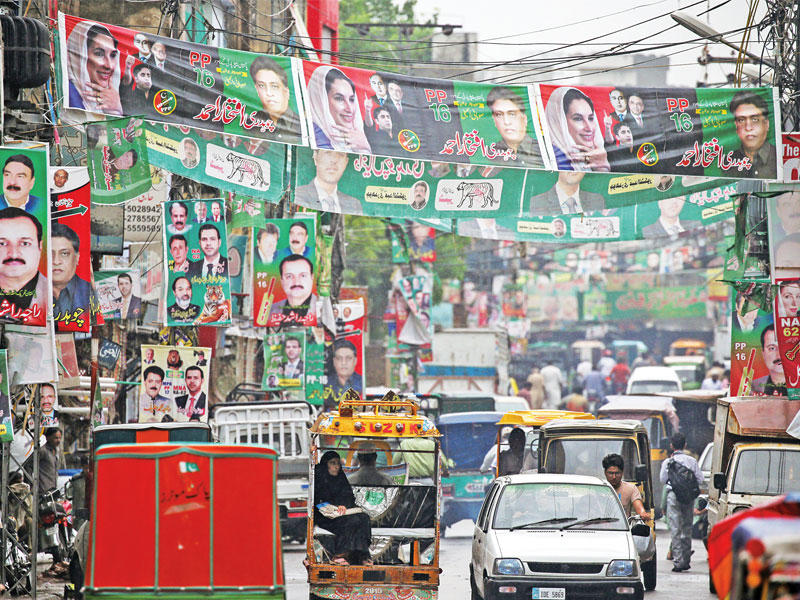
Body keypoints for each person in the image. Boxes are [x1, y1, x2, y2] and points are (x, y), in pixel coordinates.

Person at [313, 451, 372, 565]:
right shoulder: (320, 478)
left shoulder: (341, 478)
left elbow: (348, 496)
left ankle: (362, 554)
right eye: (332, 463)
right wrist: (335, 506)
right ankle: (339, 554)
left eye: (338, 463)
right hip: (325, 515)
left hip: (341, 513)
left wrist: (344, 505)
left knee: (363, 518)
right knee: (351, 521)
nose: (336, 466)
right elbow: (319, 499)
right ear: (326, 464)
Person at [660, 432, 703, 572]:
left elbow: (663, 479)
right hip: (689, 497)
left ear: (671, 445)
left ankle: (678, 562)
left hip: (673, 496)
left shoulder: (668, 462)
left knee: (675, 528)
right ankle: (686, 560)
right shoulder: (692, 461)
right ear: (685, 445)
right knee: (687, 527)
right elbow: (700, 480)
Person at [307, 65, 371, 153]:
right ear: (321, 100)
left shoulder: (359, 139)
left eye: (352, 100)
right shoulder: (308, 136)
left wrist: (366, 147)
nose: (349, 109)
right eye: (339, 99)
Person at [544, 87, 610, 172]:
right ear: (559, 121)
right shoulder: (551, 158)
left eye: (590, 118)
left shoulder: (598, 155)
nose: (589, 128)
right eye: (578, 119)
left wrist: (602, 167)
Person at [0, 207, 48, 320]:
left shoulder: (59, 294)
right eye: (2, 243)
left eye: (25, 243)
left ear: (40, 247)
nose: (13, 253)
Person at [66, 21, 123, 114]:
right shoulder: (68, 93)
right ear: (79, 55)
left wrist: (116, 109)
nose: (109, 66)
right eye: (99, 54)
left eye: (113, 55)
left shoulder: (114, 99)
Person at [486, 86, 543, 168]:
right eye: (499, 115)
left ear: (524, 118)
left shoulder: (542, 151)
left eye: (512, 114)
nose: (506, 122)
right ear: (494, 120)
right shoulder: (490, 155)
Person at [294, 149, 363, 215]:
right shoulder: (298, 195)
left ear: (346, 162)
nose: (334, 160)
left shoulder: (354, 205)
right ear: (315, 157)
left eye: (340, 154)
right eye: (328, 152)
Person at [51, 222, 94, 321]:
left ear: (77, 258)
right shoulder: (33, 291)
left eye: (64, 253)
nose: (56, 261)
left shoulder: (88, 291)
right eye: (50, 254)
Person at [249, 55, 299, 139]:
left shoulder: (302, 126)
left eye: (274, 86)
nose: (268, 93)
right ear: (257, 90)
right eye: (261, 86)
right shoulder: (251, 123)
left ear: (286, 92)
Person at [730, 91, 776, 179]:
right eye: (741, 120)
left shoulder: (779, 158)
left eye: (755, 119)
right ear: (736, 126)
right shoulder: (727, 161)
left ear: (766, 124)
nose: (748, 127)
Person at [529, 171, 605, 216]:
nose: (574, 168)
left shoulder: (597, 200)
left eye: (580, 162)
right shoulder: (538, 202)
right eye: (568, 162)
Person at [269, 254, 318, 321]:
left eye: (303, 276)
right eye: (289, 276)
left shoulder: (320, 308)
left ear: (312, 278)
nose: (296, 282)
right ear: (282, 281)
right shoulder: (270, 310)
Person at [602, 453, 648, 519]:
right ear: (605, 473)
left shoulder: (631, 489)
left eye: (617, 473)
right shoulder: (598, 489)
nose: (614, 477)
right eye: (611, 473)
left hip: (623, 528)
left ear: (622, 472)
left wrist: (643, 514)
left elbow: (640, 509)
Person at [752, 325, 787, 395]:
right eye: (772, 348)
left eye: (784, 347)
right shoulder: (753, 386)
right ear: (763, 353)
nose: (779, 355)